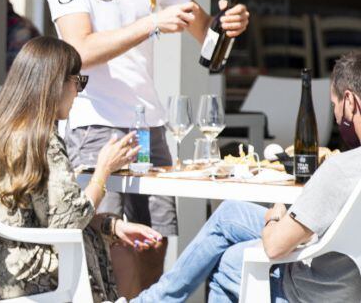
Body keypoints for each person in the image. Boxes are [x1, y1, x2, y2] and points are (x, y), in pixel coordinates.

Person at [44, 0, 251, 295]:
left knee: (153, 244)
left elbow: (209, 45)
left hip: (149, 125)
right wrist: (151, 23)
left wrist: (228, 26)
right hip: (96, 122)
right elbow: (78, 50)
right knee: (111, 243)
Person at [131, 52, 361, 303]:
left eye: (334, 106)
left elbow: (275, 247)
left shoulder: (340, 169)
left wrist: (274, 218)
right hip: (344, 270)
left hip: (315, 290)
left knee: (230, 261)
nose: (337, 116)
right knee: (229, 214)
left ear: (349, 101)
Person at [0, 37, 161, 302]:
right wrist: (103, 170)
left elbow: (43, 213)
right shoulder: (41, 138)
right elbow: (68, 223)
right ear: (55, 82)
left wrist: (110, 226)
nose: (79, 91)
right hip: (33, 278)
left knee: (115, 240)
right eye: (78, 80)